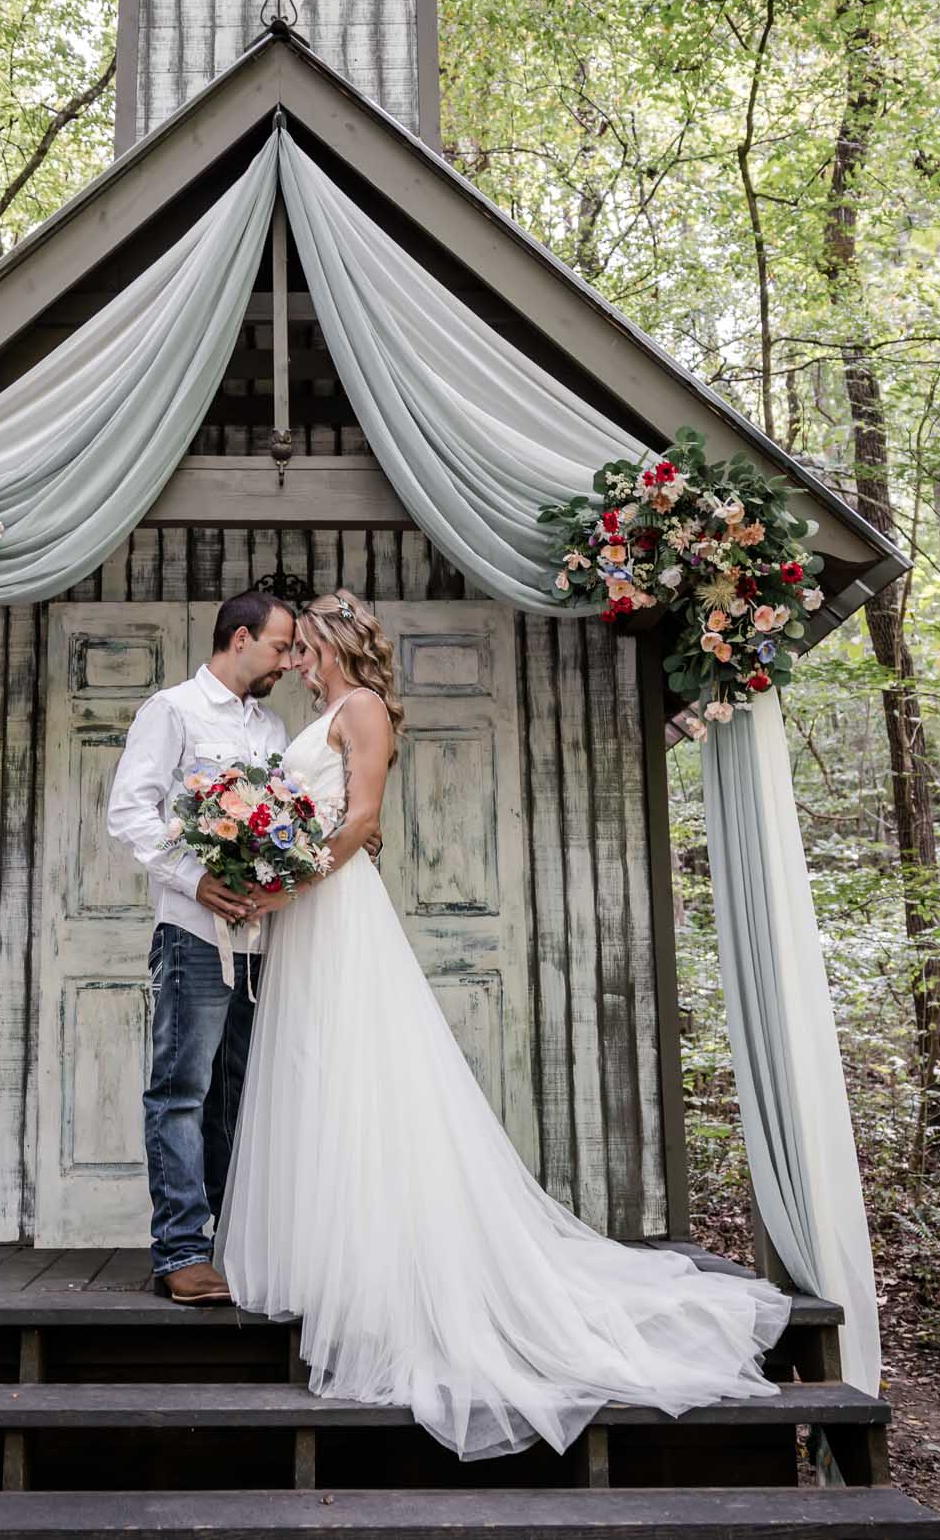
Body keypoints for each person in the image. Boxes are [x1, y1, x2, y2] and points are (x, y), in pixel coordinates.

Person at [216, 589, 793, 1460]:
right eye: (287, 649)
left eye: (303, 647)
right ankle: (331, 1266)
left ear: (331, 642)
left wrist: (286, 880)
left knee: (355, 1073)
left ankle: (388, 1279)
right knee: (312, 1073)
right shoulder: (327, 709)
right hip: (304, 916)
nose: (294, 658)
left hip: (334, 913)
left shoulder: (364, 707)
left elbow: (363, 817)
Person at [104, 590, 293, 1306]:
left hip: (258, 939)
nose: (286, 660)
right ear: (239, 637)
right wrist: (194, 877)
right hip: (192, 934)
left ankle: (231, 1240)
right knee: (180, 1092)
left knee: (234, 1095)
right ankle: (180, 1249)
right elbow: (130, 809)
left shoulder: (270, 726)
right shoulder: (173, 710)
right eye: (279, 646)